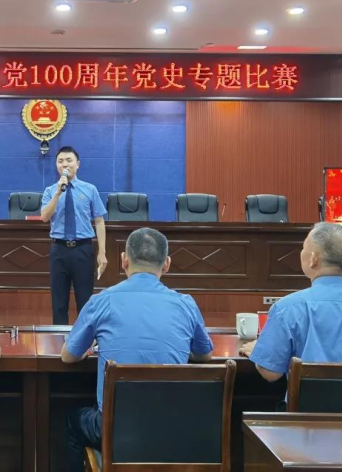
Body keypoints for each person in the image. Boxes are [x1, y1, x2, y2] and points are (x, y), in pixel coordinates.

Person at [61, 227, 213, 472]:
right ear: (166, 264)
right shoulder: (185, 304)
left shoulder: (102, 301)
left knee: (73, 421)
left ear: (124, 260)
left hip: (117, 431)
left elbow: (68, 356)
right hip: (175, 432)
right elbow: (205, 354)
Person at [240, 222, 342, 381]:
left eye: (304, 248)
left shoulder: (286, 308)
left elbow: (271, 373)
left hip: (308, 403)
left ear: (313, 258)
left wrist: (258, 351)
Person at [41, 146, 108, 325]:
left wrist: (102, 252)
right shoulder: (50, 191)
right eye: (60, 161)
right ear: (56, 165)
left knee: (85, 300)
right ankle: (58, 339)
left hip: (83, 249)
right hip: (59, 249)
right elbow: (44, 217)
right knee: (59, 302)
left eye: (69, 160)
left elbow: (99, 221)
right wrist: (58, 193)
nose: (65, 164)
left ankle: (84, 338)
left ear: (77, 164)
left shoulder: (90, 189)